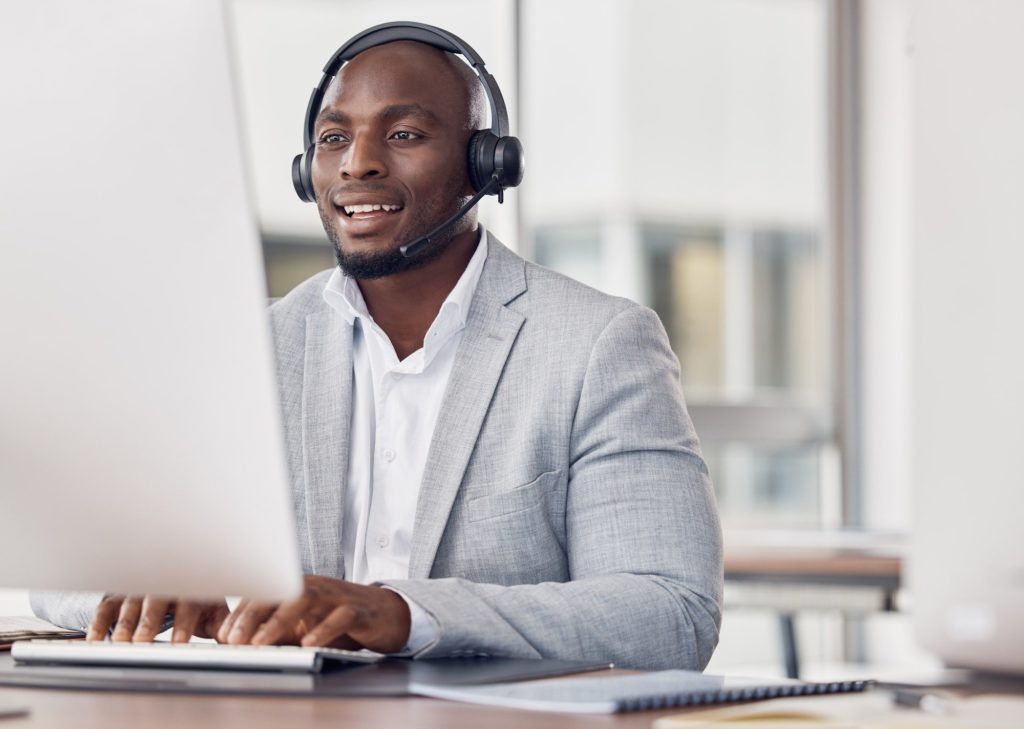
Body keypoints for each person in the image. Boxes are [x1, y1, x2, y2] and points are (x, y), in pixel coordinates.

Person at [33, 26, 723, 671]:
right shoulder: (253, 353)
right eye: (334, 138)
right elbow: (59, 568)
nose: (358, 163)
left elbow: (670, 612)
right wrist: (153, 587)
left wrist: (403, 613)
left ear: (484, 164)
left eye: (403, 134)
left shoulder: (597, 345)